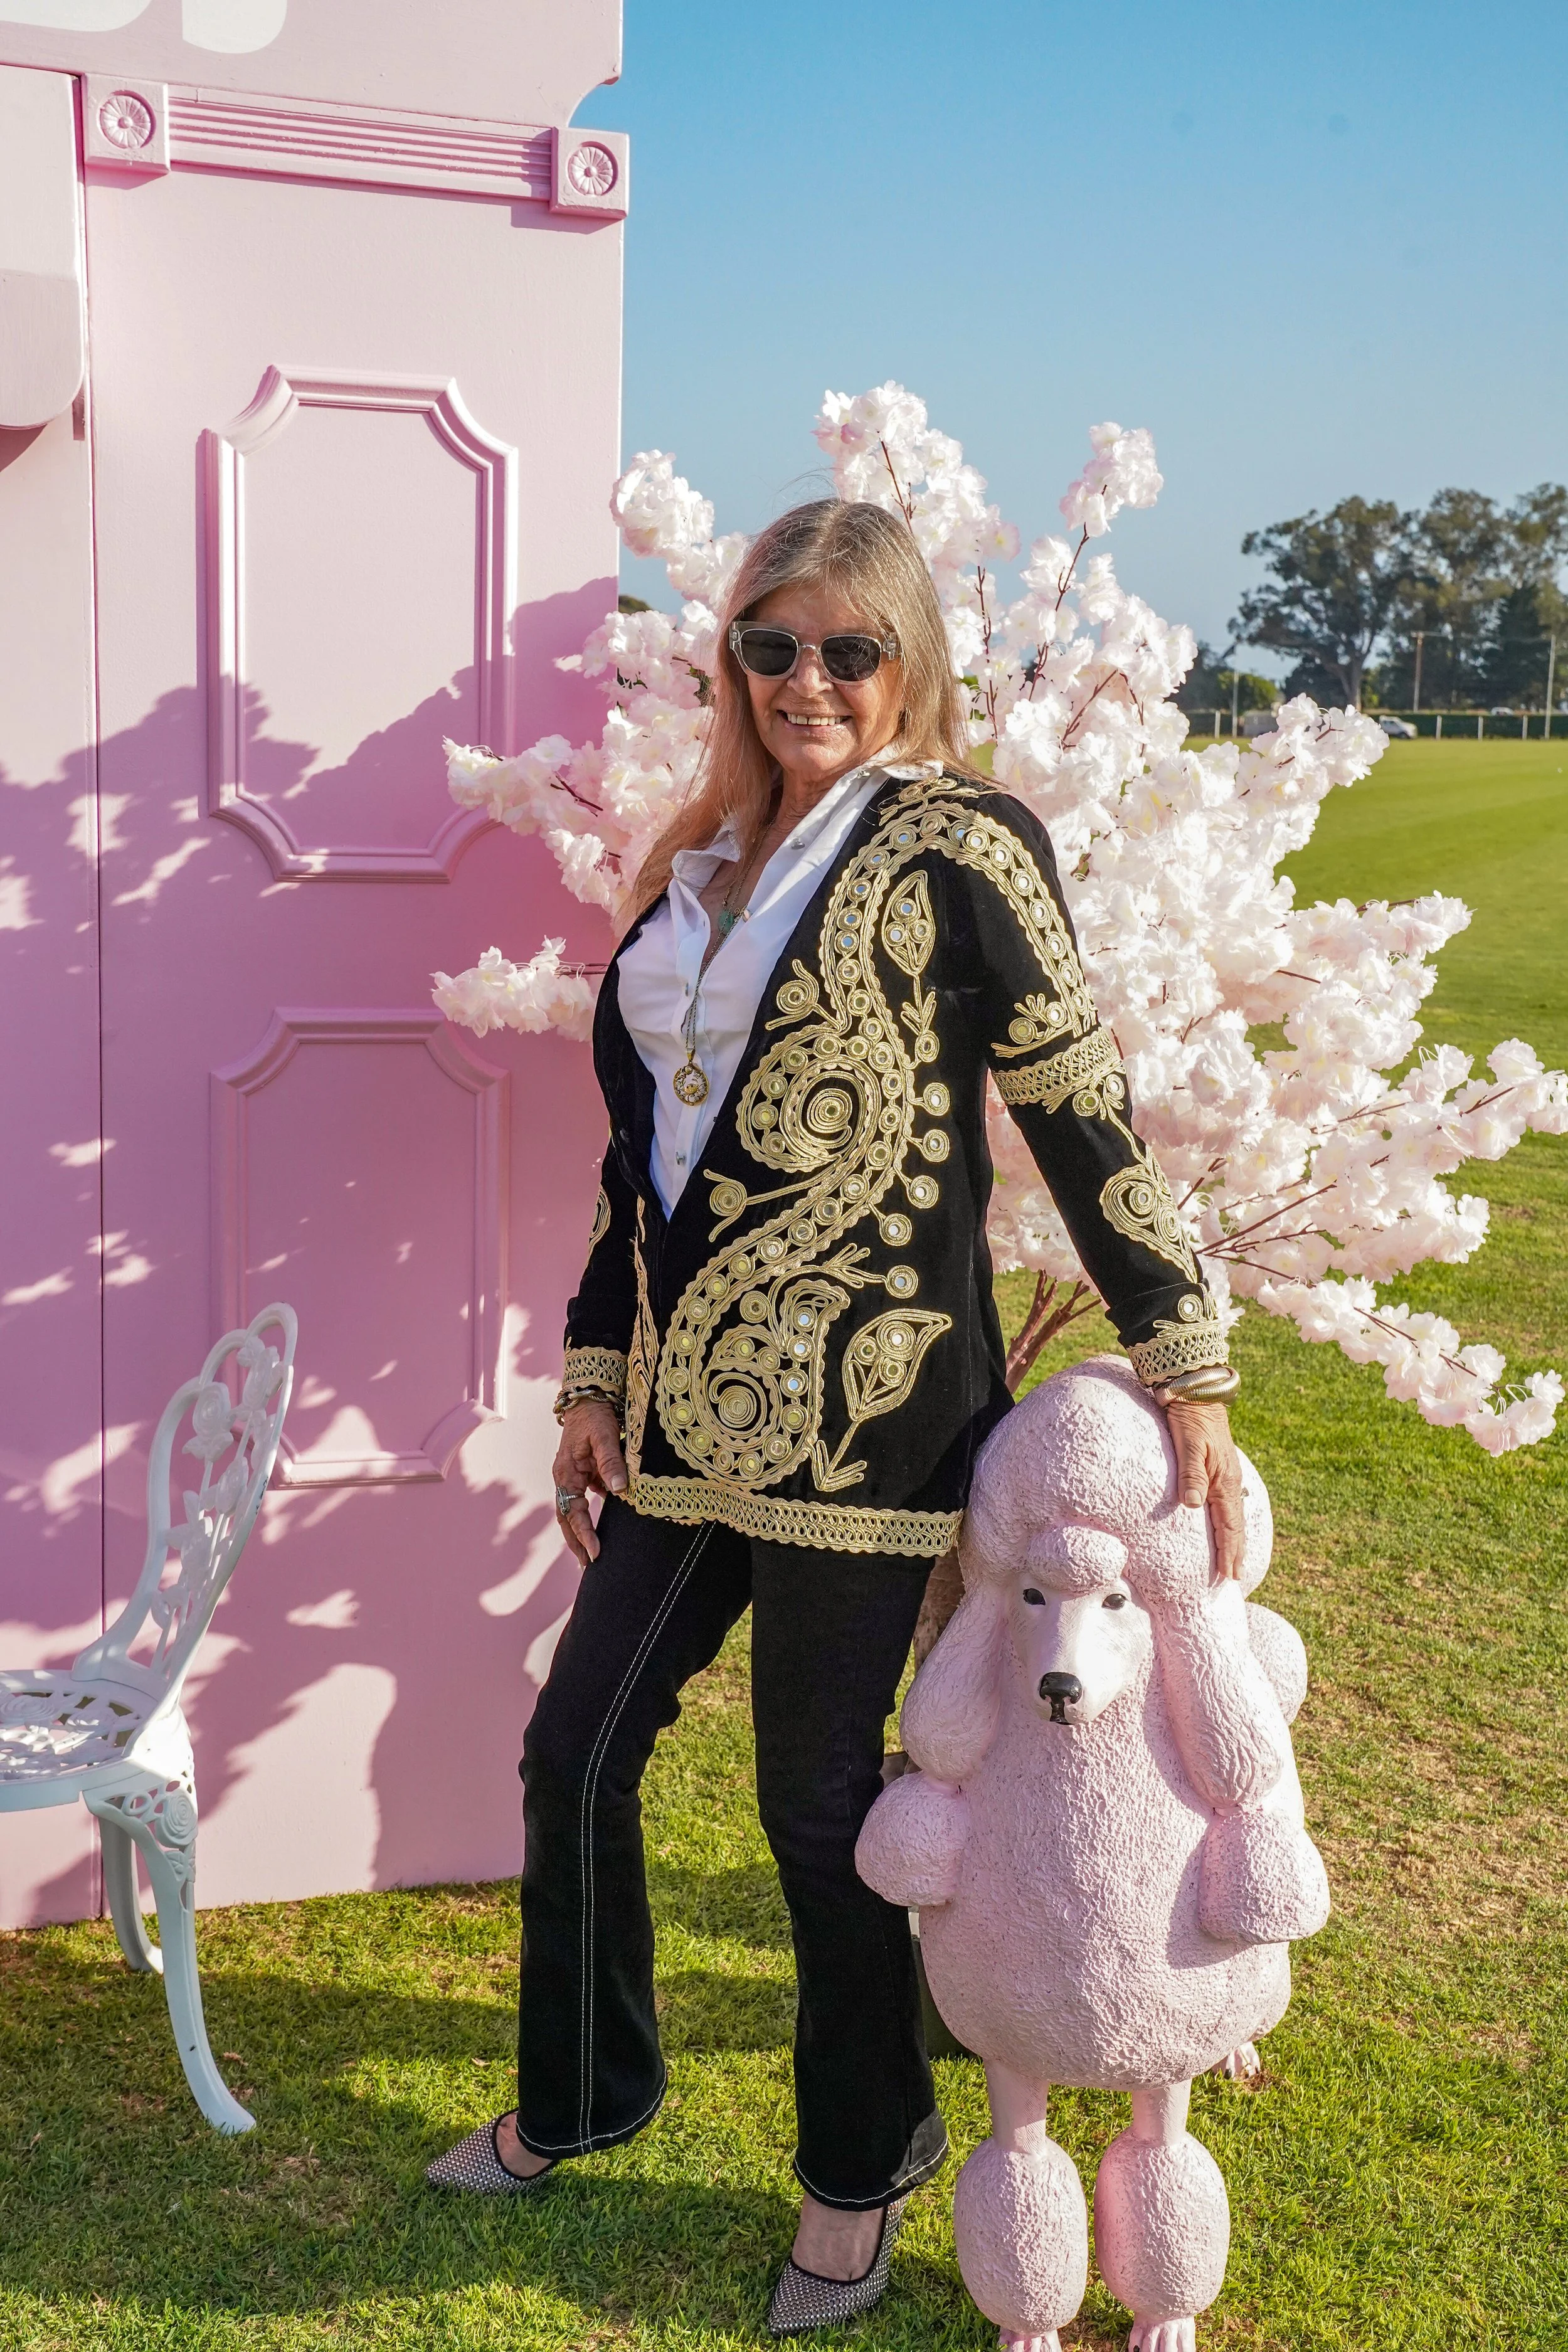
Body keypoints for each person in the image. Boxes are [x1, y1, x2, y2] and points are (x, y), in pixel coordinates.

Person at [428, 499, 1244, 2336]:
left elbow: (1078, 1104)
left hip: (873, 1427)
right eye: (771, 646)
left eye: (847, 649)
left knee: (815, 1805)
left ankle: (854, 2173)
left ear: (909, 666)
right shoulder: (692, 861)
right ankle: (580, 2094)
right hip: (684, 1424)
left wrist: (1177, 1340)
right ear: (731, 663)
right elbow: (642, 1169)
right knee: (575, 1753)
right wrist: (591, 1370)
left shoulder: (962, 844)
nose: (806, 679)